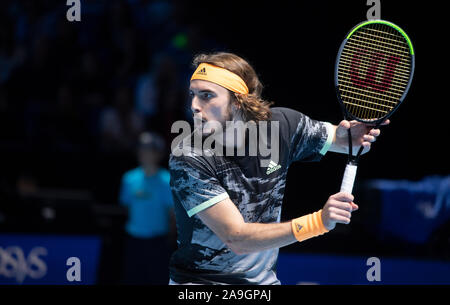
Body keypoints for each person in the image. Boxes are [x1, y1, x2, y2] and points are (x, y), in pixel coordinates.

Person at [168, 52, 388, 285]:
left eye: (206, 96)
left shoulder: (282, 126)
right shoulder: (189, 156)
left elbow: (341, 140)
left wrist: (351, 138)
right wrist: (318, 222)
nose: (194, 105)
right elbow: (236, 238)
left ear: (237, 100)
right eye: (193, 95)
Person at [120, 131, 175, 284]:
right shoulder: (129, 178)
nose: (143, 152)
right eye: (141, 148)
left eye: (148, 149)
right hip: (134, 241)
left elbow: (172, 215)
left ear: (158, 154)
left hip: (158, 243)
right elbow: (127, 208)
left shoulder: (167, 180)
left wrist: (167, 240)